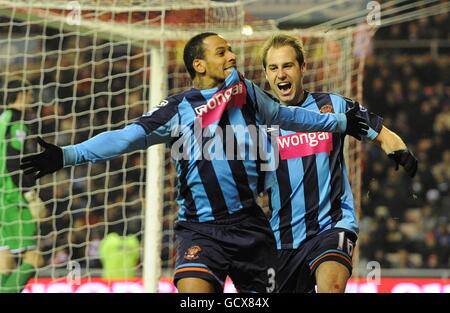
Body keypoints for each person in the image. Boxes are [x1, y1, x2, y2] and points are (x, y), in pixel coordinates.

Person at [20, 32, 368, 293]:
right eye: (222, 52)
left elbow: (289, 116)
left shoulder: (246, 94)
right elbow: (125, 138)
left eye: (230, 50)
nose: (232, 56)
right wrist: (67, 155)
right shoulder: (177, 110)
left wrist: (340, 123)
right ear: (199, 65)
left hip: (250, 228)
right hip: (200, 229)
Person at [260, 34, 418, 293]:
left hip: (332, 225)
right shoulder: (259, 122)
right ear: (266, 74)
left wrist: (398, 148)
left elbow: (380, 131)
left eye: (287, 65)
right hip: (282, 237)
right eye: (274, 68)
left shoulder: (332, 105)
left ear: (303, 68)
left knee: (331, 287)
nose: (281, 74)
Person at [0, 79, 46, 293]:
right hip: (13, 197)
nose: (32, 97)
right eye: (29, 92)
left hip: (2, 198)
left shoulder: (2, 119)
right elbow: (12, 159)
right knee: (34, 258)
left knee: (5, 262)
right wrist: (28, 193)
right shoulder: (17, 122)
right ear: (21, 94)